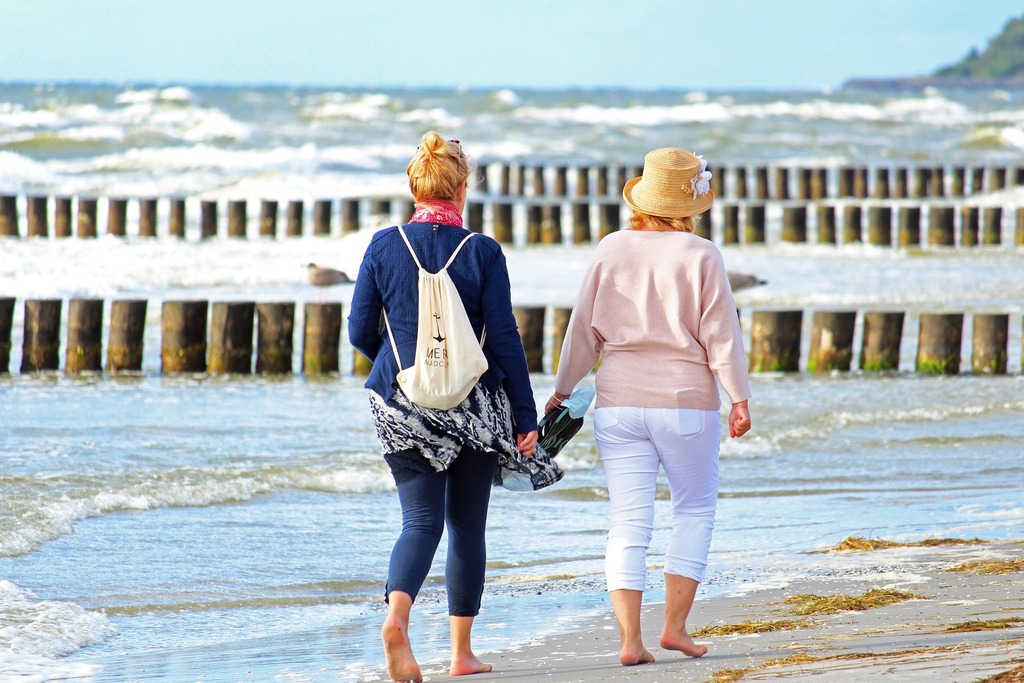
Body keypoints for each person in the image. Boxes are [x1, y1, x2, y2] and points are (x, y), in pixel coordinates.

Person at [348, 131, 559, 682]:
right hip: (474, 404)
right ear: (463, 187)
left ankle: (397, 617)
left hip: (401, 403)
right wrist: (525, 415)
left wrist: (403, 369)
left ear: (414, 186)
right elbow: (507, 339)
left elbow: (357, 330)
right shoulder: (483, 252)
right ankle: (462, 655)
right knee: (466, 526)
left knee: (419, 522)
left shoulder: (382, 244)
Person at [545, 147, 752, 667]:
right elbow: (721, 335)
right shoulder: (701, 255)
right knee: (694, 507)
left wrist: (564, 389)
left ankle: (630, 642)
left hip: (617, 403)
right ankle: (676, 629)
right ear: (690, 205)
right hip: (686, 402)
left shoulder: (611, 248)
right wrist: (739, 396)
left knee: (628, 520)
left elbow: (583, 328)